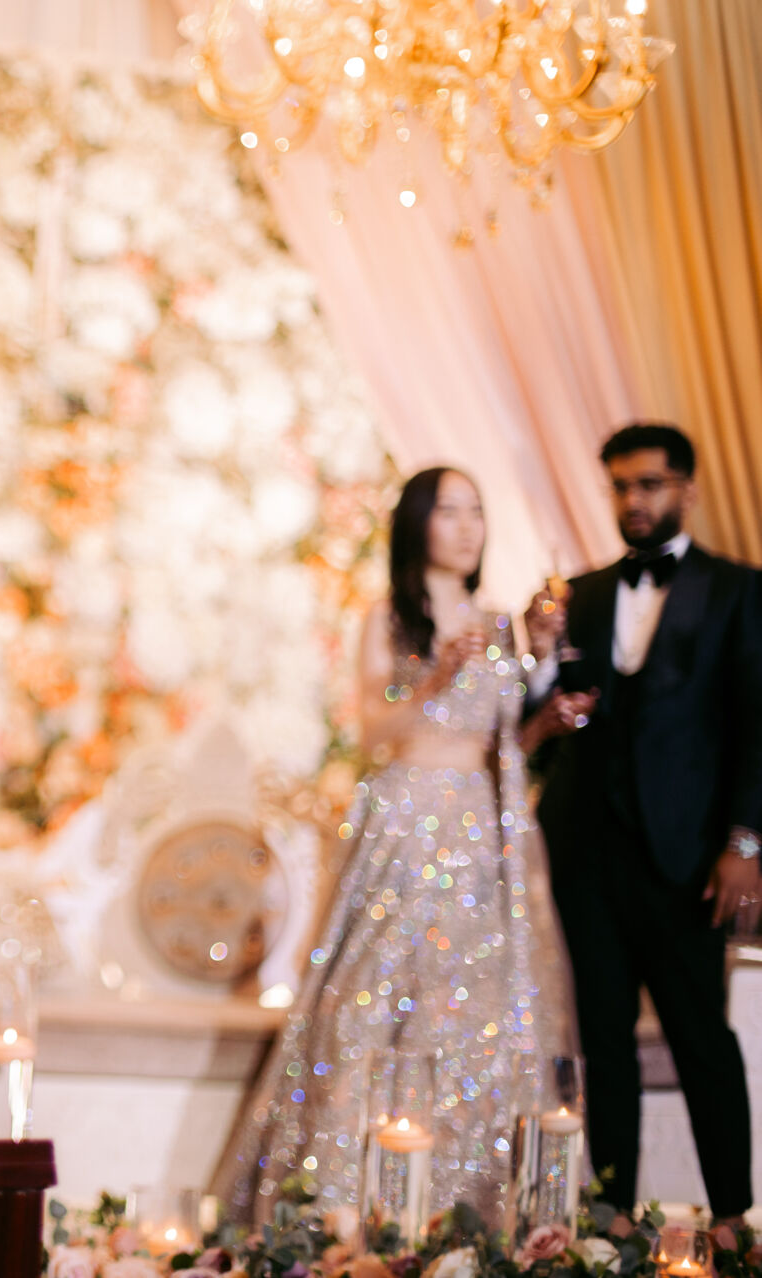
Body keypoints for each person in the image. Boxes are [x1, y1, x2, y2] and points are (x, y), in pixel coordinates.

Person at [213, 467, 575, 1225]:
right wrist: (435, 676)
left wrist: (543, 671)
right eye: (449, 512)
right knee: (373, 999)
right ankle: (347, 1201)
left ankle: (464, 1201)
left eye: (476, 511)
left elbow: (505, 740)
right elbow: (375, 732)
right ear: (417, 524)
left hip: (483, 829)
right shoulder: (388, 617)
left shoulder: (498, 620)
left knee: (475, 1011)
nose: (467, 527)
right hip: (409, 816)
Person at [526, 422, 760, 1225]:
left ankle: (730, 1222)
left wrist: (743, 842)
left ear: (685, 490)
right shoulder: (577, 596)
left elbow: (756, 728)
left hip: (686, 857)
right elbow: (540, 721)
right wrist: (539, 664)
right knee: (601, 1043)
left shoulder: (737, 590)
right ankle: (610, 1224)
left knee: (700, 1038)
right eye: (621, 486)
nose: (633, 500)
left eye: (649, 484)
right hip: (583, 853)